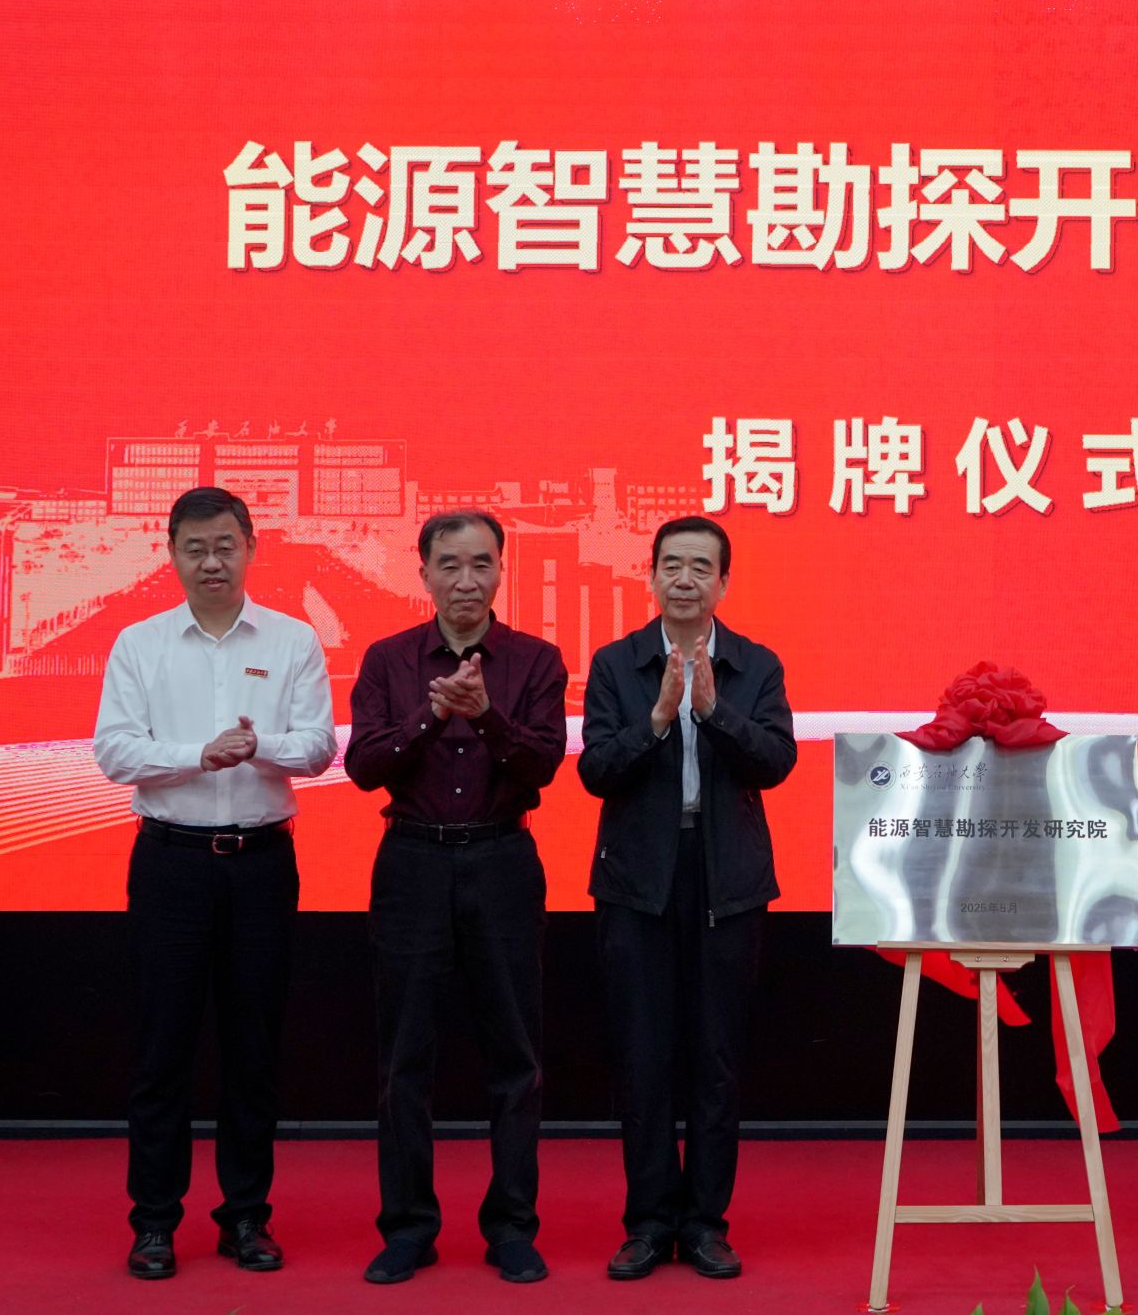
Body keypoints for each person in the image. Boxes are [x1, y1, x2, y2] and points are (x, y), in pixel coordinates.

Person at [92, 486, 337, 1279]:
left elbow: (318, 747)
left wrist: (257, 746)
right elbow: (115, 751)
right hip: (171, 863)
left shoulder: (294, 639)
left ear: (251, 547)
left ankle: (246, 1216)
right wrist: (198, 755)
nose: (211, 562)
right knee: (162, 1048)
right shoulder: (140, 643)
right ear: (171, 554)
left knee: (253, 1048)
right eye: (195, 548)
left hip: (261, 864)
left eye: (225, 546)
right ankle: (154, 1222)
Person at [344, 510, 567, 1285]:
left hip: (502, 857)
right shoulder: (388, 659)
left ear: (501, 570)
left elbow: (543, 764)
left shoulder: (536, 660)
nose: (466, 580)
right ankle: (408, 1226)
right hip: (412, 861)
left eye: (481, 564)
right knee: (405, 1055)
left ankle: (512, 1227)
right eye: (450, 564)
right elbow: (364, 765)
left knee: (515, 1056)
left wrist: (486, 716)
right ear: (424, 573)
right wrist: (433, 714)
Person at [579, 515, 797, 1281]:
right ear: (651, 576)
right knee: (643, 1057)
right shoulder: (617, 663)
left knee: (715, 1057)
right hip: (639, 878)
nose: (685, 578)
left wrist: (713, 710)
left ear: (723, 582)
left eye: (701, 566)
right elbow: (596, 770)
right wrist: (658, 718)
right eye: (672, 563)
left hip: (726, 877)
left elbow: (776, 760)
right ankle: (647, 1222)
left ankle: (705, 1222)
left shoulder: (755, 664)